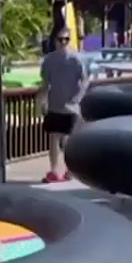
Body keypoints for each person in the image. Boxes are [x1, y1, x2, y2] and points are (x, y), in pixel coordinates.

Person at [38, 27, 89, 183]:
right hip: (55, 104)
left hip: (71, 106)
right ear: (55, 41)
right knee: (54, 138)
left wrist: (77, 98)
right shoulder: (49, 60)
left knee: (67, 140)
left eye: (66, 39)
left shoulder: (77, 59)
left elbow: (86, 81)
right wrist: (41, 100)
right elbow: (45, 83)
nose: (64, 43)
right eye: (61, 40)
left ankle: (69, 170)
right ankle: (54, 170)